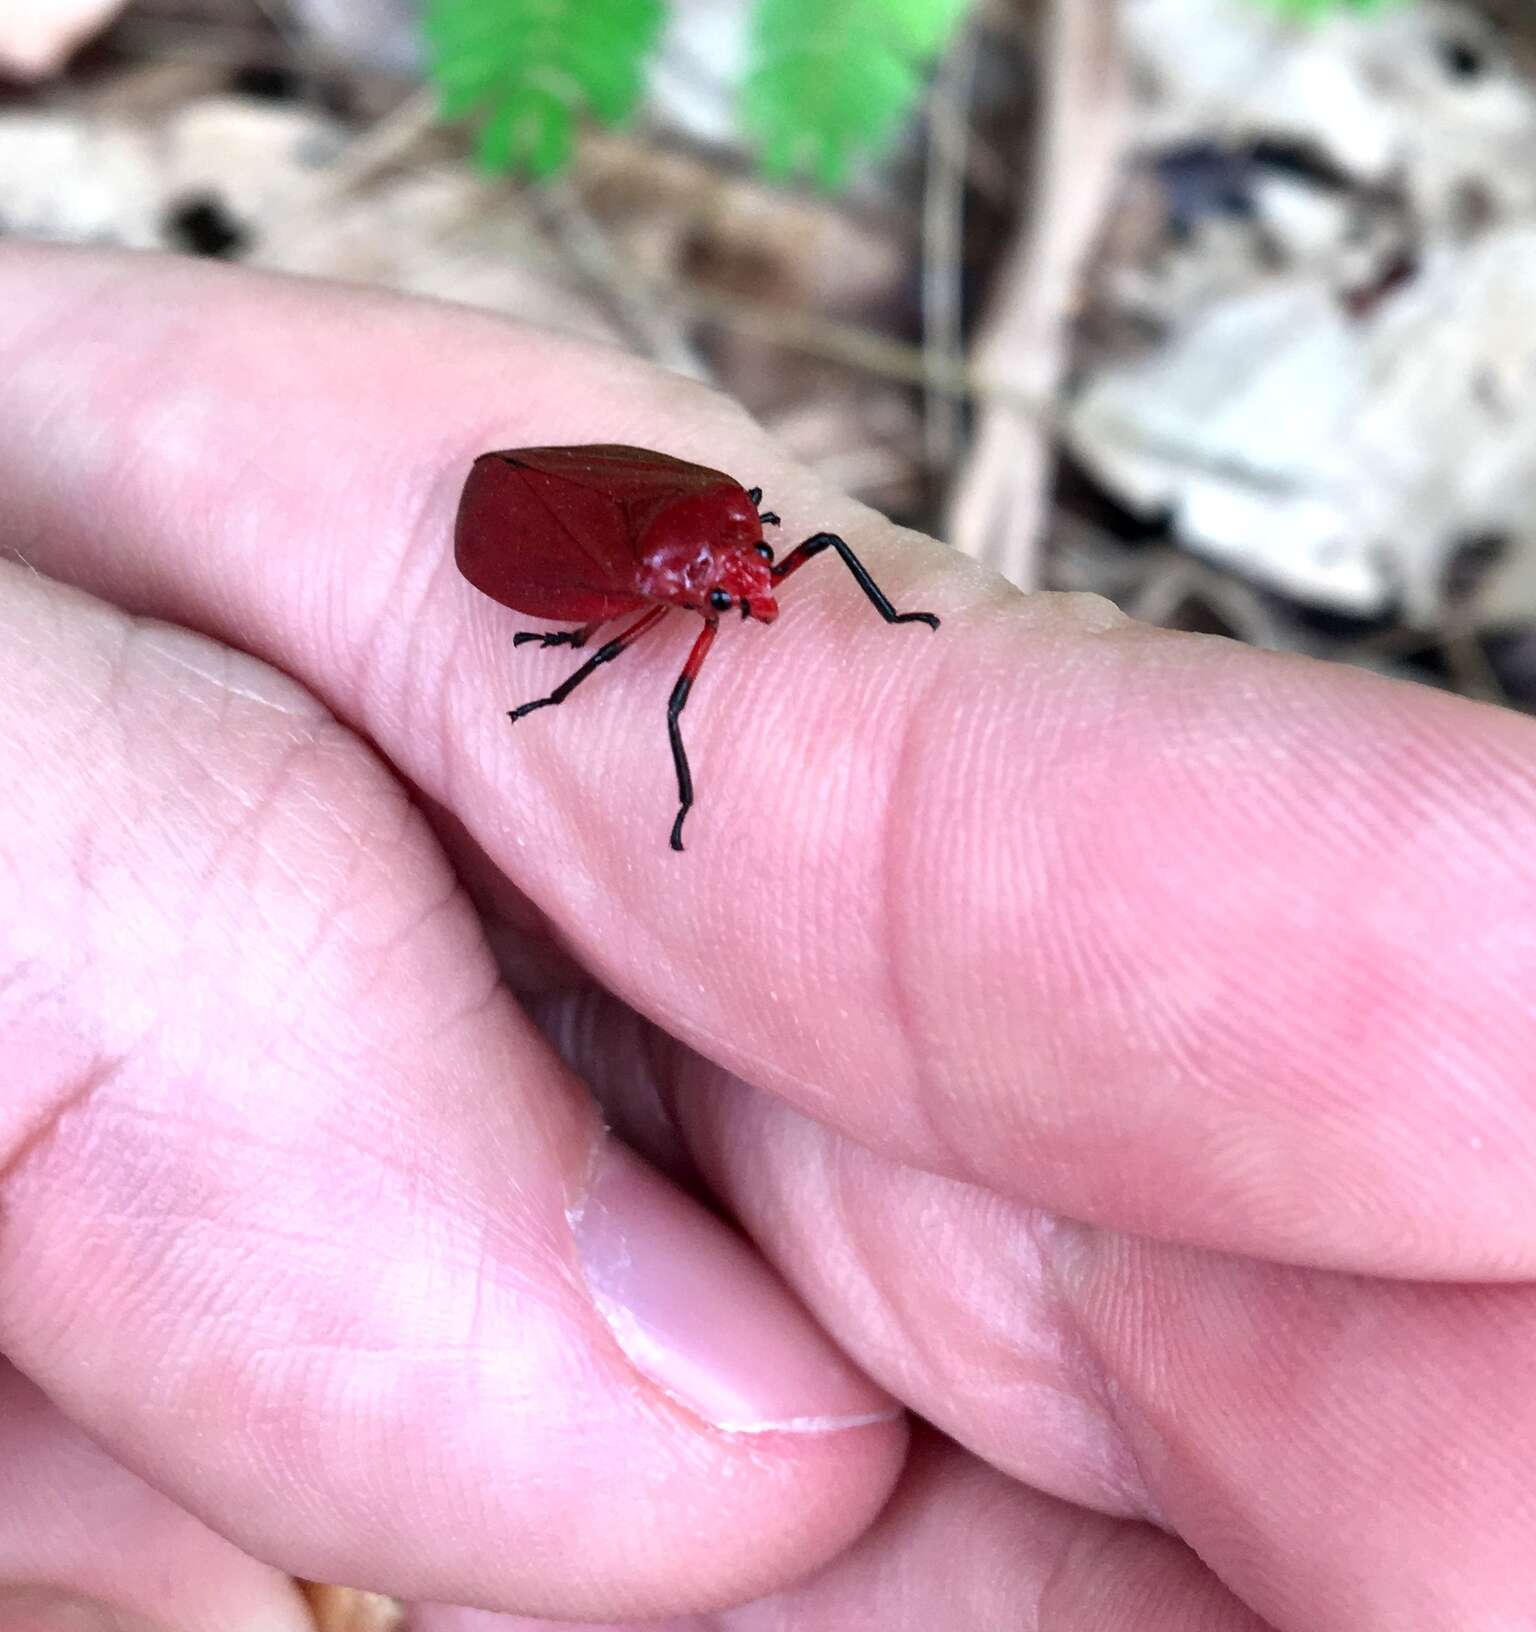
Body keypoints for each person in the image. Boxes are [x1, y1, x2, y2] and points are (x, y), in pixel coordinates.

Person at [1, 243, 1532, 1632]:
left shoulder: (746, 553)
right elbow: (639, 659)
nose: (750, 593)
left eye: (746, 575)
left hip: (612, 521)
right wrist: (579, 674)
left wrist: (838, 601)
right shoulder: (654, 610)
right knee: (660, 706)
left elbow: (775, 552)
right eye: (729, 582)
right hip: (574, 542)